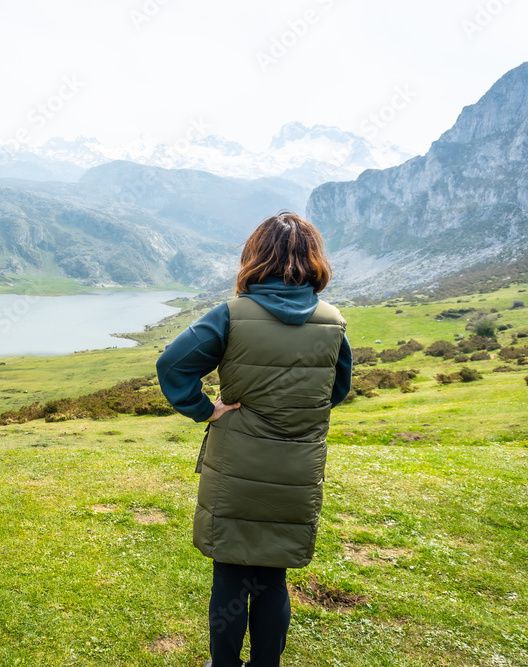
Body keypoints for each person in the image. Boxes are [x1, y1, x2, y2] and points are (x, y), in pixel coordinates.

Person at [156, 212, 352, 667]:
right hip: (296, 469)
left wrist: (207, 409)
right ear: (314, 259)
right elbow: (336, 391)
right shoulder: (332, 321)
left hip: (237, 467)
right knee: (273, 577)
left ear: (254, 256)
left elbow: (172, 365)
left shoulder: (231, 315)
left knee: (229, 575)